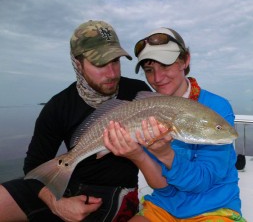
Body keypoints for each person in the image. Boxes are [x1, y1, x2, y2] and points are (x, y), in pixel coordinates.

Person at [0, 20, 152, 222]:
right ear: (78, 64)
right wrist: (57, 204)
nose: (112, 73)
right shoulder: (58, 106)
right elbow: (33, 165)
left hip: (116, 191)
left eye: (115, 61)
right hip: (68, 184)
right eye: (100, 63)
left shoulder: (137, 92)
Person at [103, 27, 246, 221]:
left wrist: (165, 153)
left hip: (214, 208)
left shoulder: (216, 107)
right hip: (165, 206)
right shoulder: (148, 111)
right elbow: (163, 188)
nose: (157, 78)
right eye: (149, 70)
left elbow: (202, 181)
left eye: (166, 66)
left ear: (185, 60)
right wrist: (136, 155)